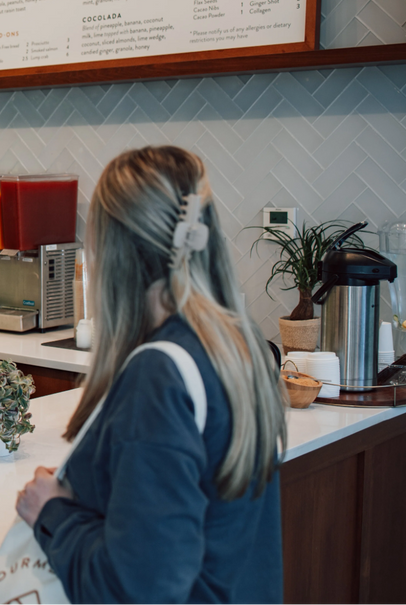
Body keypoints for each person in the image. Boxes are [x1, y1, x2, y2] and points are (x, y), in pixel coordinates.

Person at [15, 146, 287, 604]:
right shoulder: (239, 345)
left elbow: (139, 587)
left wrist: (53, 512)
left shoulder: (158, 374)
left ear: (113, 250)